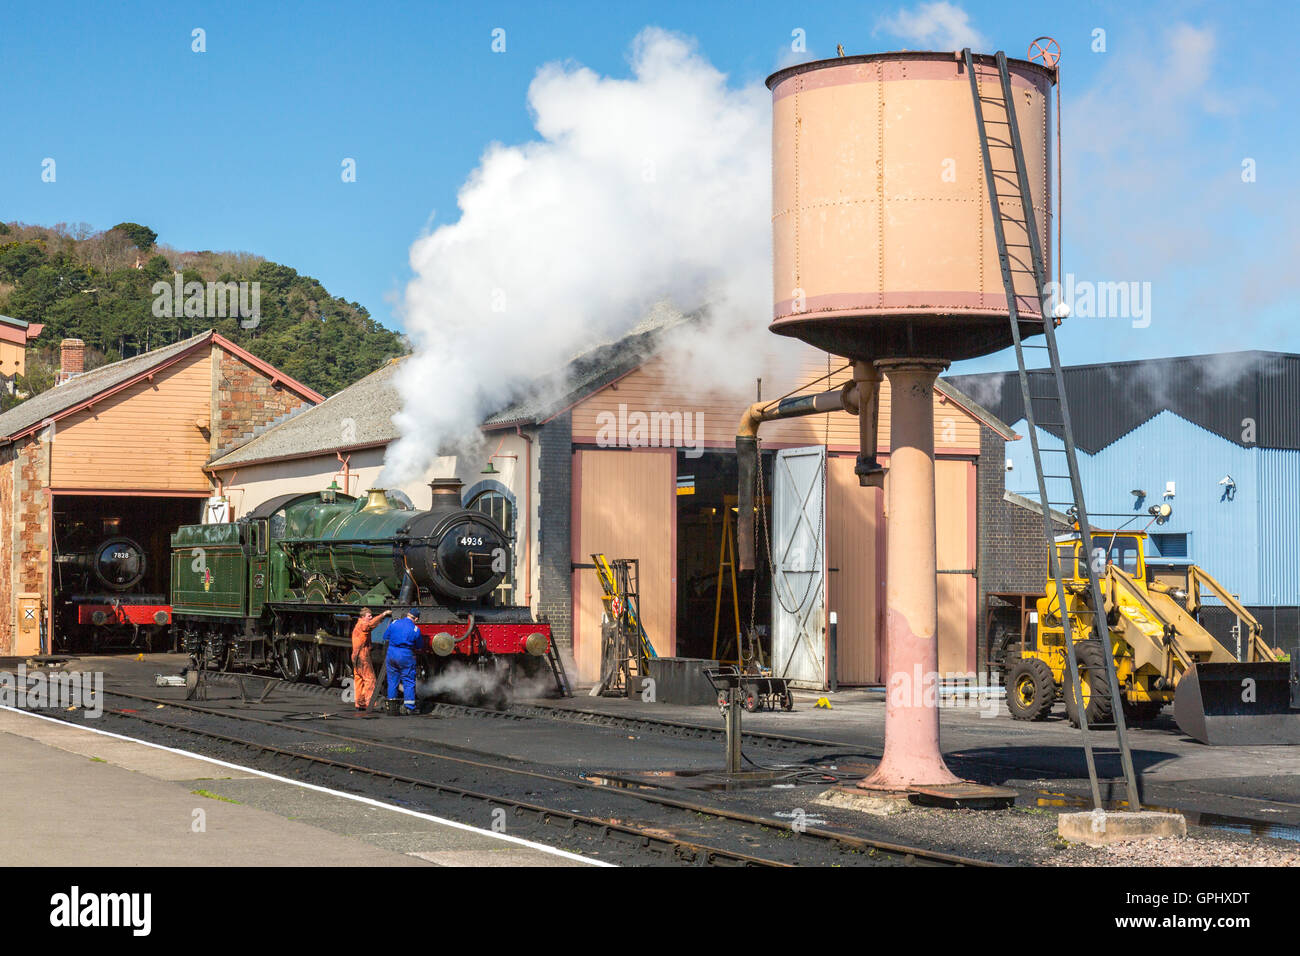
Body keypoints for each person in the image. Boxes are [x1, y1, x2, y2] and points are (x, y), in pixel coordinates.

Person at [384, 608, 425, 715]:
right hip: (406, 655)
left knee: (392, 680)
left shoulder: (395, 623)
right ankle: (409, 707)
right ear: (416, 618)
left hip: (392, 653)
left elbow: (386, 636)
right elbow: (419, 645)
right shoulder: (415, 629)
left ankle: (391, 707)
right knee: (408, 681)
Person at [350, 607, 389, 711]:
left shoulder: (358, 625)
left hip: (355, 655)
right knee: (370, 679)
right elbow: (370, 624)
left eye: (371, 615)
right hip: (362, 655)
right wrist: (383, 614)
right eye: (369, 616)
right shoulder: (363, 624)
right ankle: (370, 703)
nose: (371, 617)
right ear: (363, 617)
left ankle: (360, 703)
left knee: (359, 679)